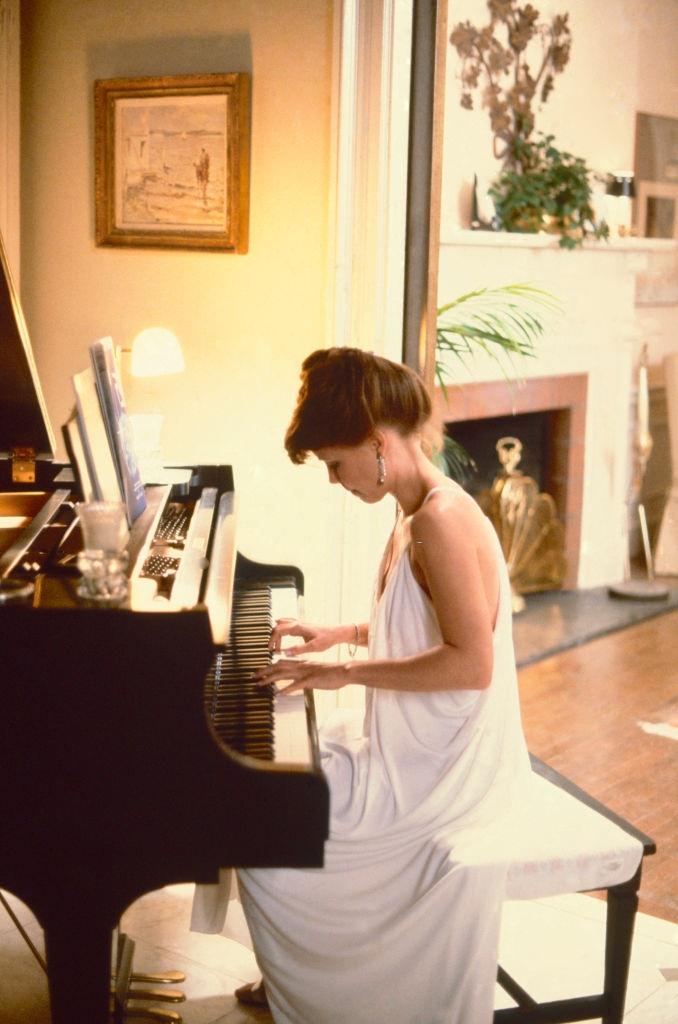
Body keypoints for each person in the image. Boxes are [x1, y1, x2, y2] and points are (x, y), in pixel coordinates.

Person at [197, 347, 531, 1023]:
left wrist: (340, 673)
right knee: (271, 791)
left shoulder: (438, 519)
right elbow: (427, 627)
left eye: (334, 463)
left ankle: (319, 989)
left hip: (445, 777)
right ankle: (300, 975)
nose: (332, 479)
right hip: (422, 748)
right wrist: (339, 634)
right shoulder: (416, 507)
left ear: (377, 444)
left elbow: (472, 662)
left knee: (264, 819)